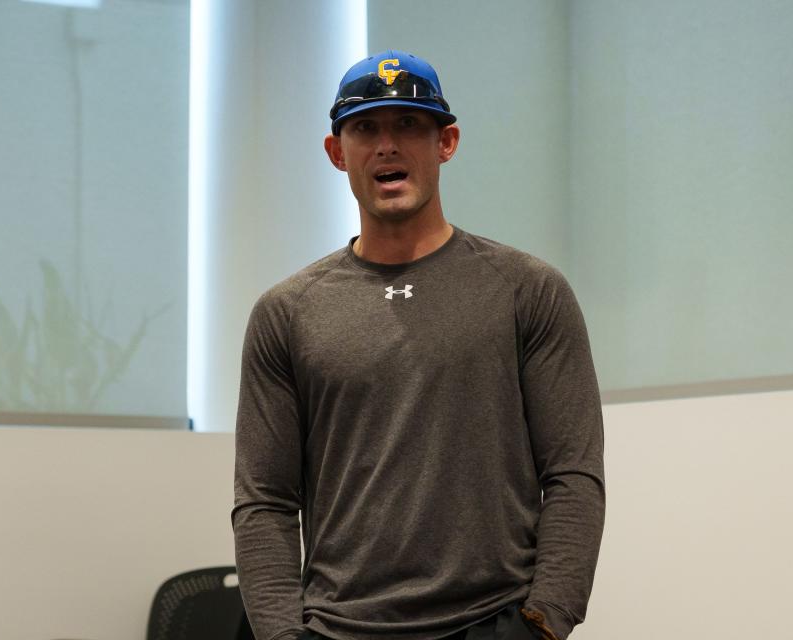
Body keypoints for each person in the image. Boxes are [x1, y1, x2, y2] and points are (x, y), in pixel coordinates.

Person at [232, 50, 605, 640]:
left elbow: (572, 473)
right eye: (366, 128)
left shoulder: (527, 290)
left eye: (409, 124)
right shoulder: (287, 312)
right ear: (337, 152)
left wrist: (546, 621)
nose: (388, 145)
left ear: (446, 142)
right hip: (338, 629)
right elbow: (265, 501)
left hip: (492, 622)